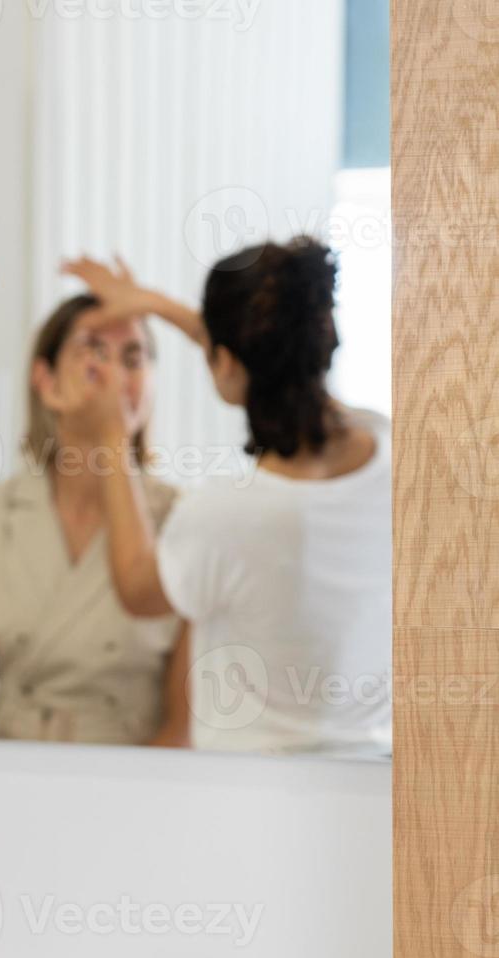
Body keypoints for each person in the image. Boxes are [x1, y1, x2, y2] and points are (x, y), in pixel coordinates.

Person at [64, 240, 392, 756]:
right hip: (376, 781)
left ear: (224, 360)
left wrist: (111, 437)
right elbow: (269, 358)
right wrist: (151, 303)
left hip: (251, 792)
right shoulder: (394, 453)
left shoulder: (227, 515)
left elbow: (137, 588)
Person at [0, 294, 191, 745]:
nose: (113, 375)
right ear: (45, 378)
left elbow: (183, 723)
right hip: (6, 777)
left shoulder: (184, 523)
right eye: (94, 351)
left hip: (138, 783)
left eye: (133, 358)